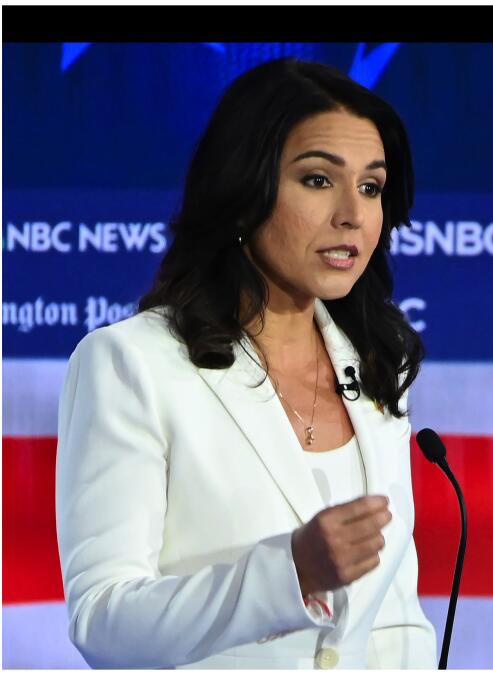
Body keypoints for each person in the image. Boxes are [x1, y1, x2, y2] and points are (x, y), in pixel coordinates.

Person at [56, 58, 436, 669]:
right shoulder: (130, 364)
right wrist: (289, 574)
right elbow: (102, 620)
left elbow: (393, 615)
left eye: (371, 187)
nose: (353, 213)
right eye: (318, 180)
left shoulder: (376, 369)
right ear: (241, 193)